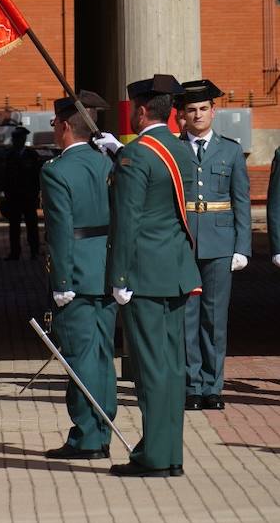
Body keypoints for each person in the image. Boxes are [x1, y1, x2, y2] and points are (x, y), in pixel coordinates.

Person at [106, 73, 202, 477]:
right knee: (171, 366)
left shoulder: (137, 154)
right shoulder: (179, 150)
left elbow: (127, 222)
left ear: (141, 110)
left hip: (143, 275)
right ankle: (168, 453)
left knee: (149, 370)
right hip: (176, 271)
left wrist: (119, 277)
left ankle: (156, 457)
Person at [40, 90, 117, 460]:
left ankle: (87, 435)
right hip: (107, 269)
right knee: (102, 354)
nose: (54, 129)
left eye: (55, 123)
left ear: (67, 126)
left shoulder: (56, 170)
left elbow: (59, 229)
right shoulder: (110, 164)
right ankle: (103, 429)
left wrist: (62, 283)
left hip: (77, 272)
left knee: (80, 356)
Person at [176, 79, 249, 411]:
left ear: (213, 112)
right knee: (187, 317)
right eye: (191, 110)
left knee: (215, 318)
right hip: (185, 242)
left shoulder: (231, 150)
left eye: (204, 109)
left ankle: (212, 386)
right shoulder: (175, 150)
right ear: (182, 116)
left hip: (221, 243)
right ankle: (192, 386)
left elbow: (241, 201)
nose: (198, 115)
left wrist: (242, 247)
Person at [3, 126, 42, 260]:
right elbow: (5, 177)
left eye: (19, 139)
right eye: (15, 139)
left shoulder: (32, 155)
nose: (17, 141)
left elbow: (37, 176)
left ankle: (34, 251)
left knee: (32, 225)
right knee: (14, 226)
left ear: (23, 139)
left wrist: (37, 193)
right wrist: (5, 194)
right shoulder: (9, 155)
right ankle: (15, 252)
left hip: (28, 196)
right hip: (13, 197)